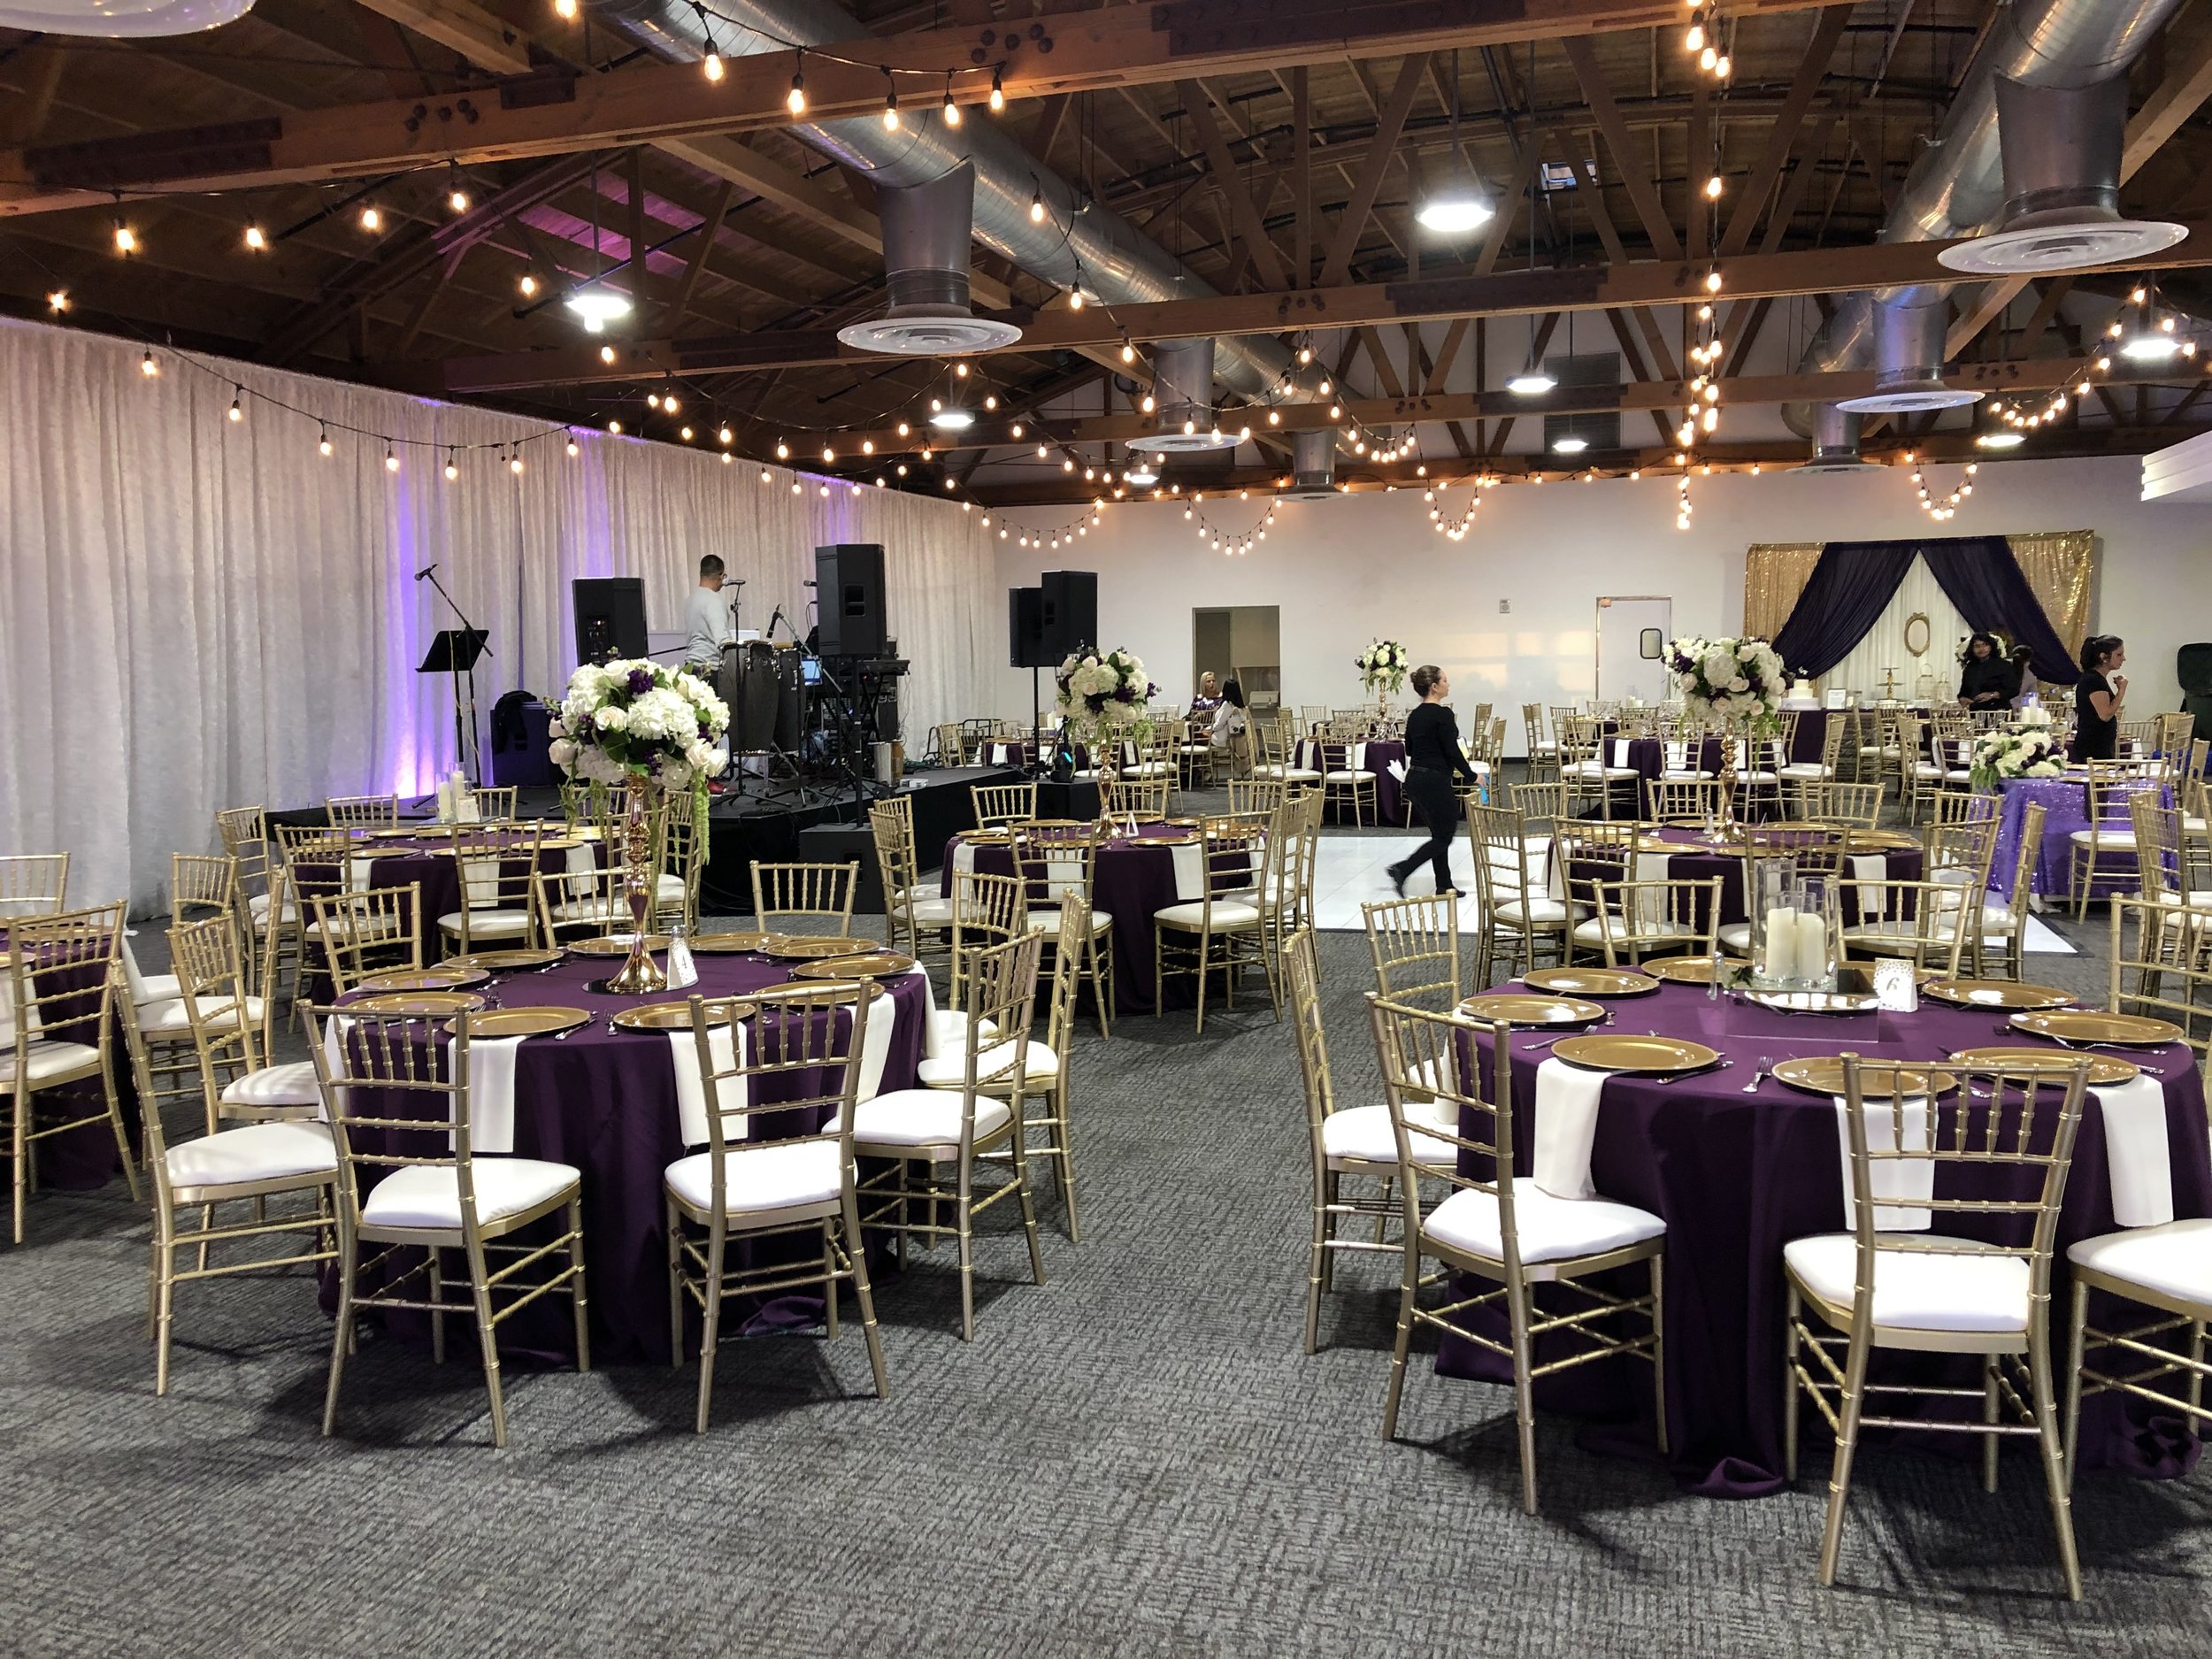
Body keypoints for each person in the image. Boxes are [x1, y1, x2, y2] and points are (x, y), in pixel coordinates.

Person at [1386, 664, 1480, 898]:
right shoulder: (1443, 715)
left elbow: (1409, 748)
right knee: (1445, 834)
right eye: (1445, 680)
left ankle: (1444, 884)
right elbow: (1453, 751)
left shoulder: (1415, 715)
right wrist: (1471, 776)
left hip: (1415, 779)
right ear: (1434, 687)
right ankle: (1403, 868)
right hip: (1434, 780)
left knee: (1439, 833)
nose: (1449, 684)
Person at [2072, 635, 2127, 762]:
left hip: (2100, 744)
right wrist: (2122, 691)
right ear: (2103, 657)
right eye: (2119, 655)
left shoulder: (2097, 679)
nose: (2123, 659)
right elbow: (2105, 714)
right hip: (2093, 747)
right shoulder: (2093, 680)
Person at [684, 555, 733, 678]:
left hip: (689, 667)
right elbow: (722, 641)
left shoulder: (691, 598)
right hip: (708, 670)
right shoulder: (714, 600)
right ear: (721, 577)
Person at [1957, 632, 2021, 710]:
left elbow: (2014, 689)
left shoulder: (2003, 665)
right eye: (1977, 646)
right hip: (1974, 712)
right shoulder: (1970, 668)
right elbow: (1963, 692)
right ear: (1972, 649)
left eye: (1985, 645)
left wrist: (1992, 695)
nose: (1981, 649)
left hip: (1998, 711)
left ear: (1991, 646)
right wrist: (1962, 699)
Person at [1210, 679, 1250, 778]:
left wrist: (1209, 728)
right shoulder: (1241, 707)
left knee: (1199, 740)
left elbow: (1219, 725)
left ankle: (1204, 771)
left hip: (1223, 739)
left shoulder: (1227, 705)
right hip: (1234, 738)